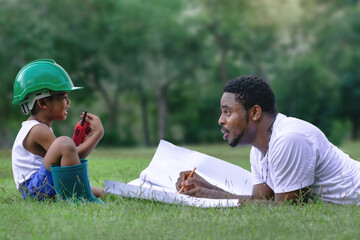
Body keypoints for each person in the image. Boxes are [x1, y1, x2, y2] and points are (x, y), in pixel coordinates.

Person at [176, 75, 360, 205]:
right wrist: (205, 187)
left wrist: (208, 195)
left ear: (254, 112)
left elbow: (287, 210)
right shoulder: (259, 149)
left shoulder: (289, 138)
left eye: (228, 112)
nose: (220, 120)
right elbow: (261, 202)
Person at [12, 59, 104, 201]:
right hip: (35, 189)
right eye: (64, 97)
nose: (69, 102)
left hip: (42, 183)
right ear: (42, 103)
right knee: (64, 143)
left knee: (97, 190)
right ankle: (81, 200)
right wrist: (97, 134)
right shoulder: (37, 130)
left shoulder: (39, 127)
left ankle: (97, 193)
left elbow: (67, 161)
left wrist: (77, 143)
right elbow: (73, 155)